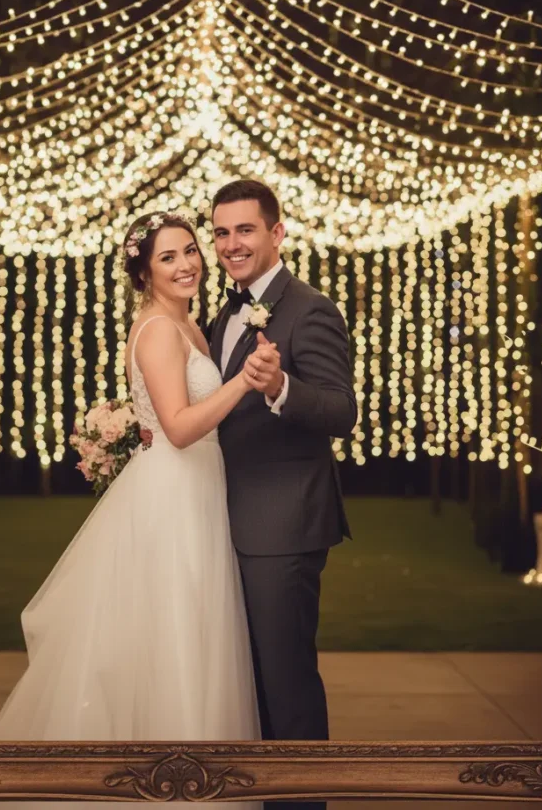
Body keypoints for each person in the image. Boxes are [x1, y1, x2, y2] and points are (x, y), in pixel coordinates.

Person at [0, 211, 277, 810]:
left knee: (197, 635)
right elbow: (179, 429)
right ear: (144, 271)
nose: (186, 265)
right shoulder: (158, 329)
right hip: (171, 503)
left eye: (189, 251)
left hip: (200, 494)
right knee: (171, 634)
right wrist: (244, 383)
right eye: (167, 258)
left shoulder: (192, 328)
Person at [207, 179, 358, 810]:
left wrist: (281, 388)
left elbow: (342, 409)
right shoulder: (223, 312)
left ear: (277, 233)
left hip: (282, 527)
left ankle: (301, 803)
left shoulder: (308, 308)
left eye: (245, 230)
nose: (231, 244)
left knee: (287, 684)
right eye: (221, 232)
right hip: (226, 524)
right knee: (250, 685)